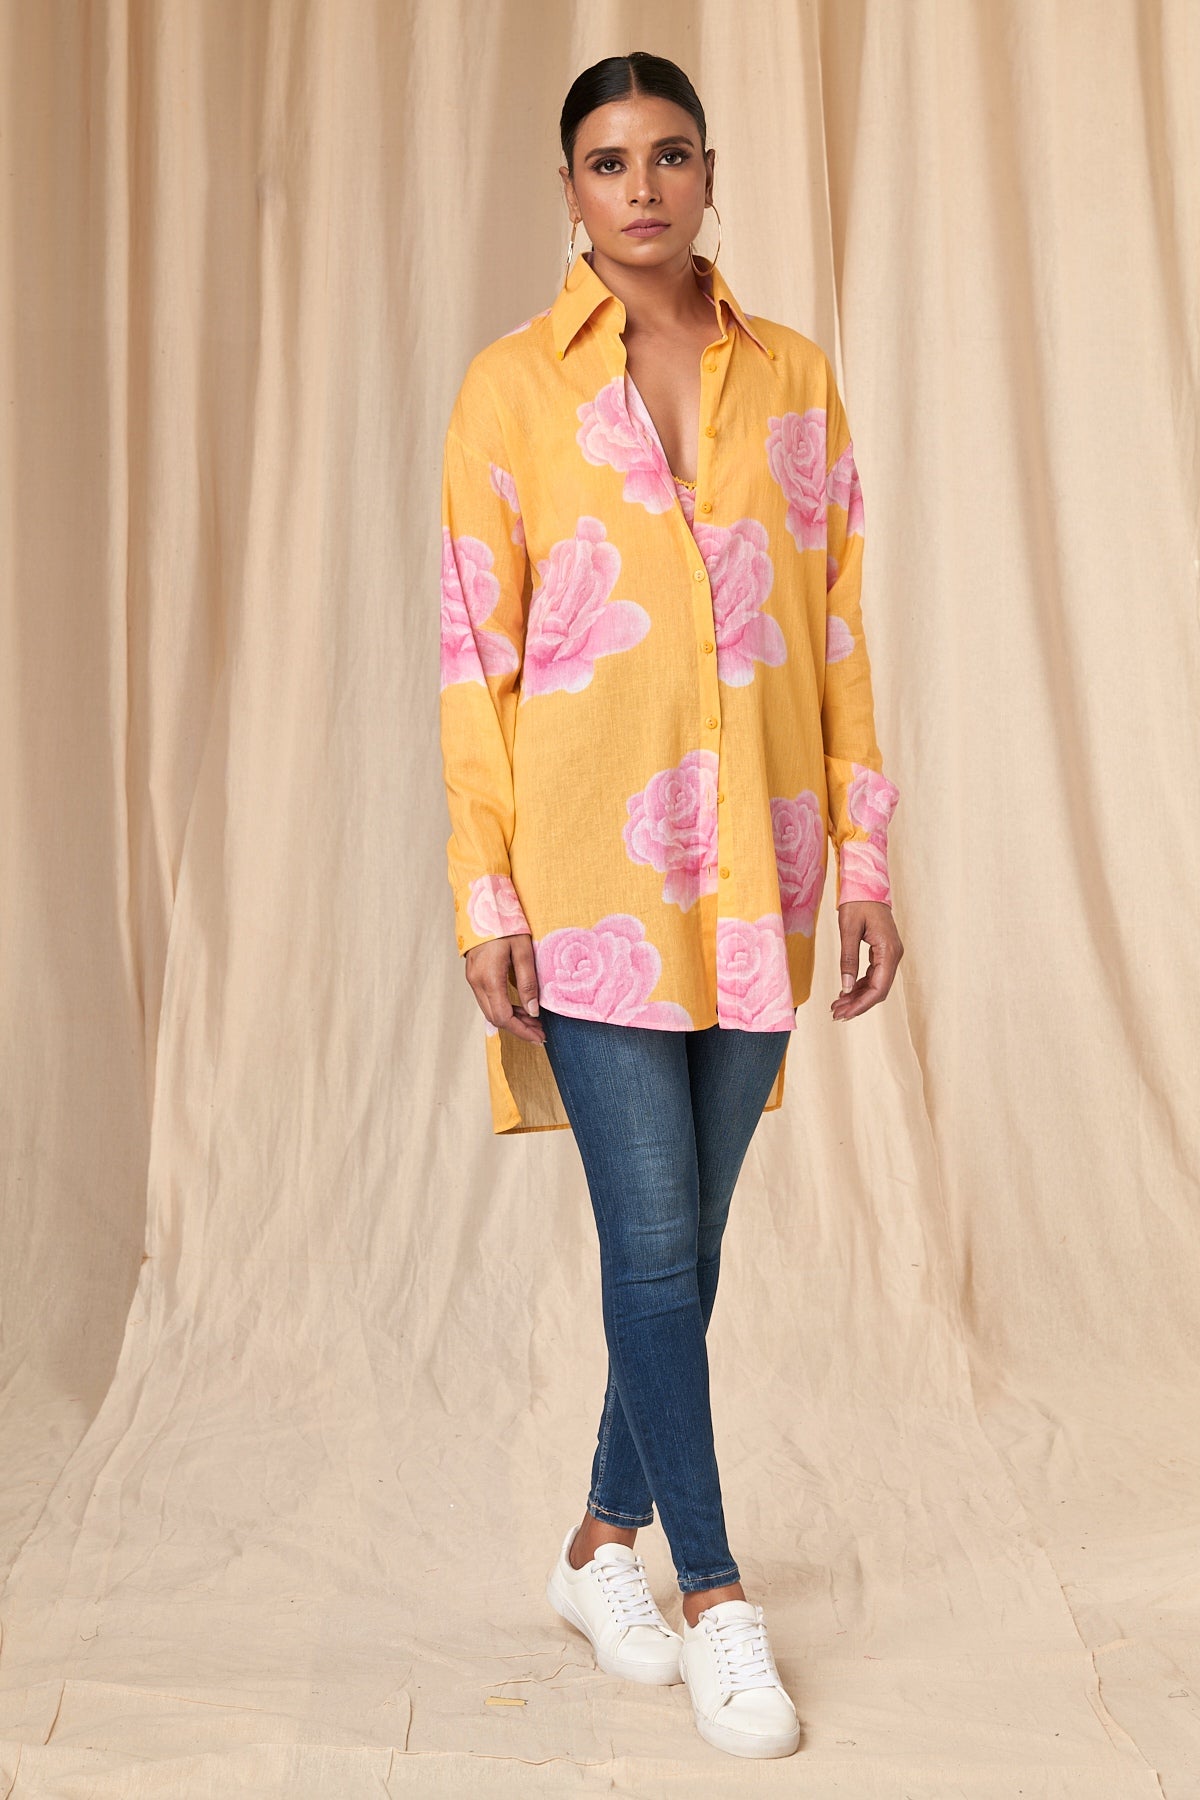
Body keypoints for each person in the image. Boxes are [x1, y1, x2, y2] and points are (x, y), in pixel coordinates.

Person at [438, 50, 904, 1761]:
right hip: (590, 881)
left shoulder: (793, 379)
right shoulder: (513, 389)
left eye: (670, 155)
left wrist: (866, 857)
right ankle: (715, 1596)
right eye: (607, 160)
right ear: (568, 189)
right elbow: (472, 655)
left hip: (763, 875)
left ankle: (592, 1549)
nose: (641, 187)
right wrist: (486, 891)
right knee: (648, 1241)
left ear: (710, 173)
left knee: (688, 1248)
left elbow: (837, 633)